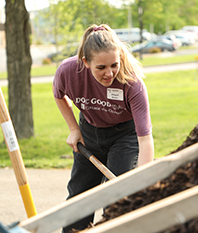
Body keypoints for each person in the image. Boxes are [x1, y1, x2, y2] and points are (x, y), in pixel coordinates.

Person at [53, 24, 154, 232]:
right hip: (88, 131)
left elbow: (145, 138)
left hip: (124, 135)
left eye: (114, 65)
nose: (109, 73)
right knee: (79, 196)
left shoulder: (132, 82)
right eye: (101, 68)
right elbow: (59, 95)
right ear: (86, 63)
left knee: (116, 196)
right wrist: (74, 129)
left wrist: (142, 180)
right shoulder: (68, 70)